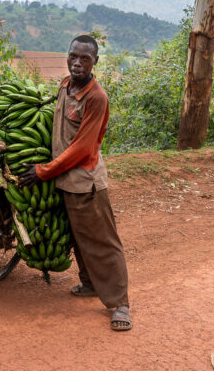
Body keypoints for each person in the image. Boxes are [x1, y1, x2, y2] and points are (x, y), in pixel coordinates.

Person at [19, 35, 131, 331]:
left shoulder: (96, 98)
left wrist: (43, 171)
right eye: (73, 56)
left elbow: (82, 148)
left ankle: (120, 303)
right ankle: (91, 284)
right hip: (65, 180)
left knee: (102, 242)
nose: (77, 62)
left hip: (85, 182)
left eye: (85, 58)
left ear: (96, 62)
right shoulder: (65, 86)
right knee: (80, 238)